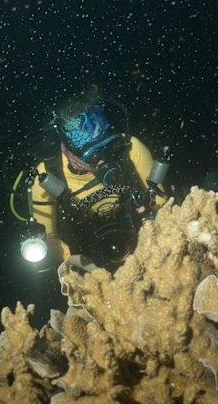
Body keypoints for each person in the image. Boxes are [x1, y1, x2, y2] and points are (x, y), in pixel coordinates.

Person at [26, 84, 168, 271]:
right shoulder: (45, 178)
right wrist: (87, 266)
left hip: (141, 235)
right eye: (92, 155)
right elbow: (48, 237)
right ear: (66, 150)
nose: (102, 160)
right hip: (85, 253)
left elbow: (161, 203)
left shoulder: (130, 149)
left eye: (107, 148)